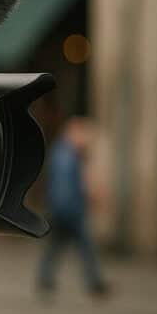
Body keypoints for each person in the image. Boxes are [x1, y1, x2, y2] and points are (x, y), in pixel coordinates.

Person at [36, 116, 109, 299]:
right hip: (69, 211)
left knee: (57, 247)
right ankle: (94, 283)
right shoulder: (66, 156)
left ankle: (45, 279)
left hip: (64, 209)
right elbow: (66, 188)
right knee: (84, 247)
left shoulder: (65, 153)